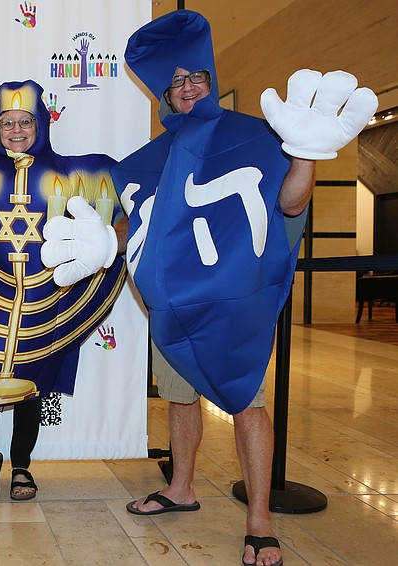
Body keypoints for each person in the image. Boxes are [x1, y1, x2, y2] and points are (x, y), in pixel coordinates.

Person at [42, 11, 376, 566]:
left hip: (235, 306)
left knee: (247, 402)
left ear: (211, 77)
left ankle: (260, 520)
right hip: (174, 307)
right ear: (165, 98)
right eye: (177, 83)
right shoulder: (150, 161)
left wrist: (307, 156)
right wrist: (106, 241)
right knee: (178, 395)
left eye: (195, 76)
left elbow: (290, 203)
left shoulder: (258, 135)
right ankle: (182, 488)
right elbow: (136, 219)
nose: (189, 86)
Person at [0, 80, 125, 501]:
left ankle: (22, 464)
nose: (15, 129)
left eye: (24, 120)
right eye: (6, 122)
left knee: (31, 381)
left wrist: (108, 241)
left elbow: (129, 205)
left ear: (40, 123)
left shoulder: (77, 174)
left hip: (47, 296)